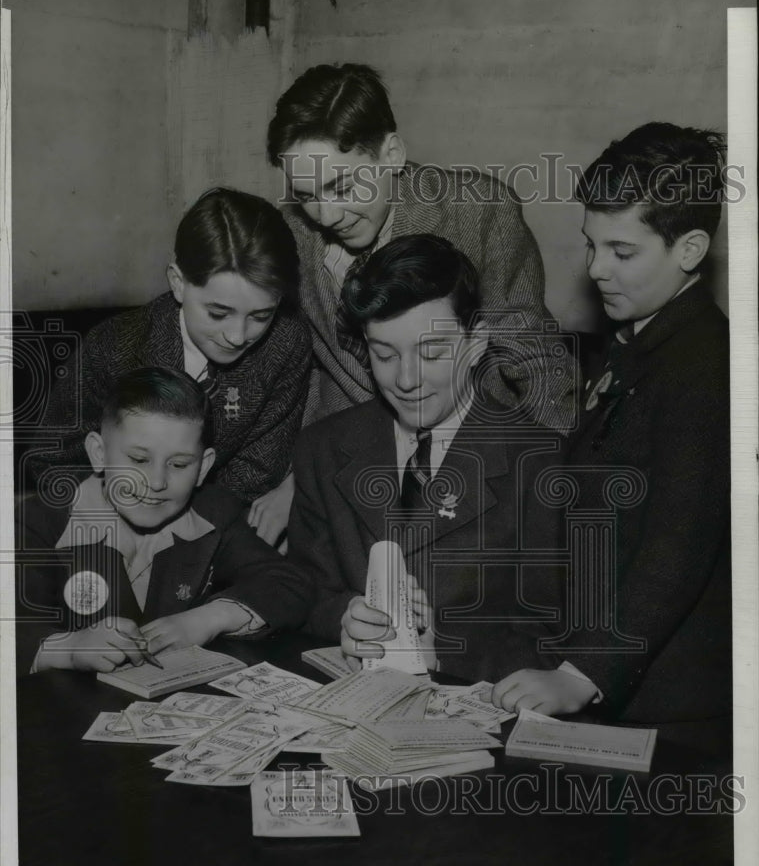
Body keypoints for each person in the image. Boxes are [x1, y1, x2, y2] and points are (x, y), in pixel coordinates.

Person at [264, 62, 579, 541]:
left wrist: (539, 479)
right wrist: (297, 477)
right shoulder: (290, 233)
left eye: (343, 187)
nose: (327, 215)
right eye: (306, 195)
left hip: (468, 456)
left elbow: (530, 352)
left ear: (391, 153)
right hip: (344, 462)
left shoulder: (478, 210)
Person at [491, 123, 731, 730]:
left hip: (667, 701)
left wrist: (584, 674)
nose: (597, 269)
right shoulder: (638, 343)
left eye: (622, 252)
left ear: (690, 249)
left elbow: (679, 547)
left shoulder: (705, 368)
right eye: (591, 245)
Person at [287, 234, 564, 680]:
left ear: (476, 343)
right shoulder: (322, 448)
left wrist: (444, 643)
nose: (407, 379)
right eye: (384, 354)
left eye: (432, 352)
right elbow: (305, 587)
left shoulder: (539, 464)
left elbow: (555, 631)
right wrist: (343, 615)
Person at [25, 188, 311, 544]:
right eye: (218, 313)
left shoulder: (286, 343)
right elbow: (50, 459)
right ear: (178, 283)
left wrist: (187, 536)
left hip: (209, 528)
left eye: (260, 315)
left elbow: (257, 470)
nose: (237, 336)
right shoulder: (111, 347)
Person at [15, 367, 314, 675]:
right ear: (99, 453)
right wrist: (69, 648)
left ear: (202, 467)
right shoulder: (40, 520)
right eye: (139, 460)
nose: (156, 482)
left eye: (179, 464)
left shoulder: (216, 513)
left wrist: (208, 618)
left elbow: (290, 584)